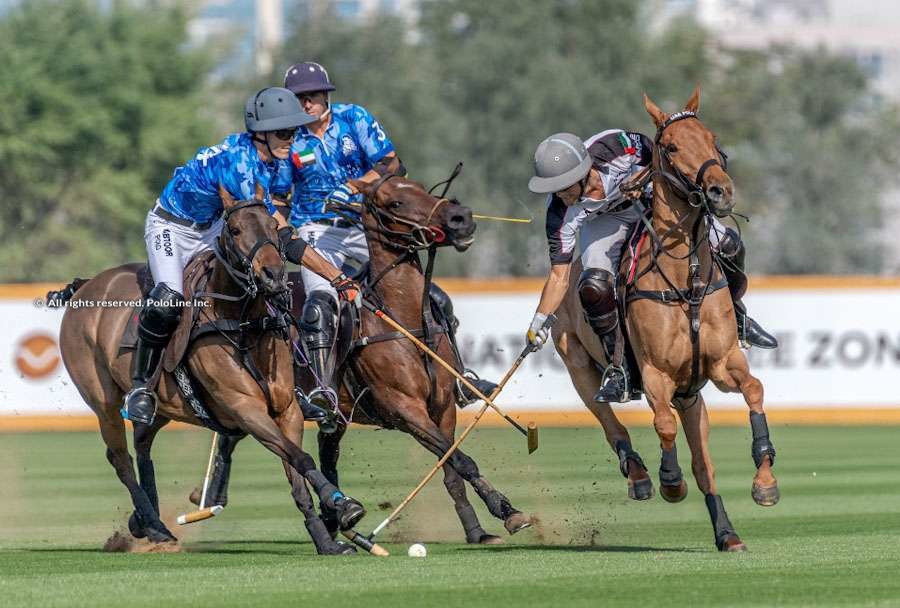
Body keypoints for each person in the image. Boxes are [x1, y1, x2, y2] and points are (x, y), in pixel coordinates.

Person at [121, 87, 359, 425]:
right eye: (283, 131)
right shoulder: (240, 165)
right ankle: (141, 389)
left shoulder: (276, 163)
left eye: (294, 130)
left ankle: (288, 386)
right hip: (172, 226)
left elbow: (276, 221)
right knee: (168, 300)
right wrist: (335, 276)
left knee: (266, 292)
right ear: (260, 134)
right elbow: (283, 237)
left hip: (215, 225)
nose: (291, 137)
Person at [281, 61, 496, 413]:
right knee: (320, 305)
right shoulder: (287, 139)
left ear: (325, 95)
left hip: (367, 226)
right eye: (300, 98)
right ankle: (323, 391)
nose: (307, 104)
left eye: (313, 95)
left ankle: (459, 376)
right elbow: (277, 190)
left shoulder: (355, 119)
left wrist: (358, 186)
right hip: (316, 230)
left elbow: (393, 165)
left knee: (434, 298)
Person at [524, 130, 777, 403]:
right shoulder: (560, 213)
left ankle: (739, 317)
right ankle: (617, 366)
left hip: (652, 200)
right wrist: (540, 322)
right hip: (604, 223)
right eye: (554, 190)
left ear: (583, 172)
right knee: (593, 286)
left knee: (730, 246)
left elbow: (663, 154)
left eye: (564, 188)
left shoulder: (615, 148)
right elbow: (560, 276)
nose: (560, 196)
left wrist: (643, 176)